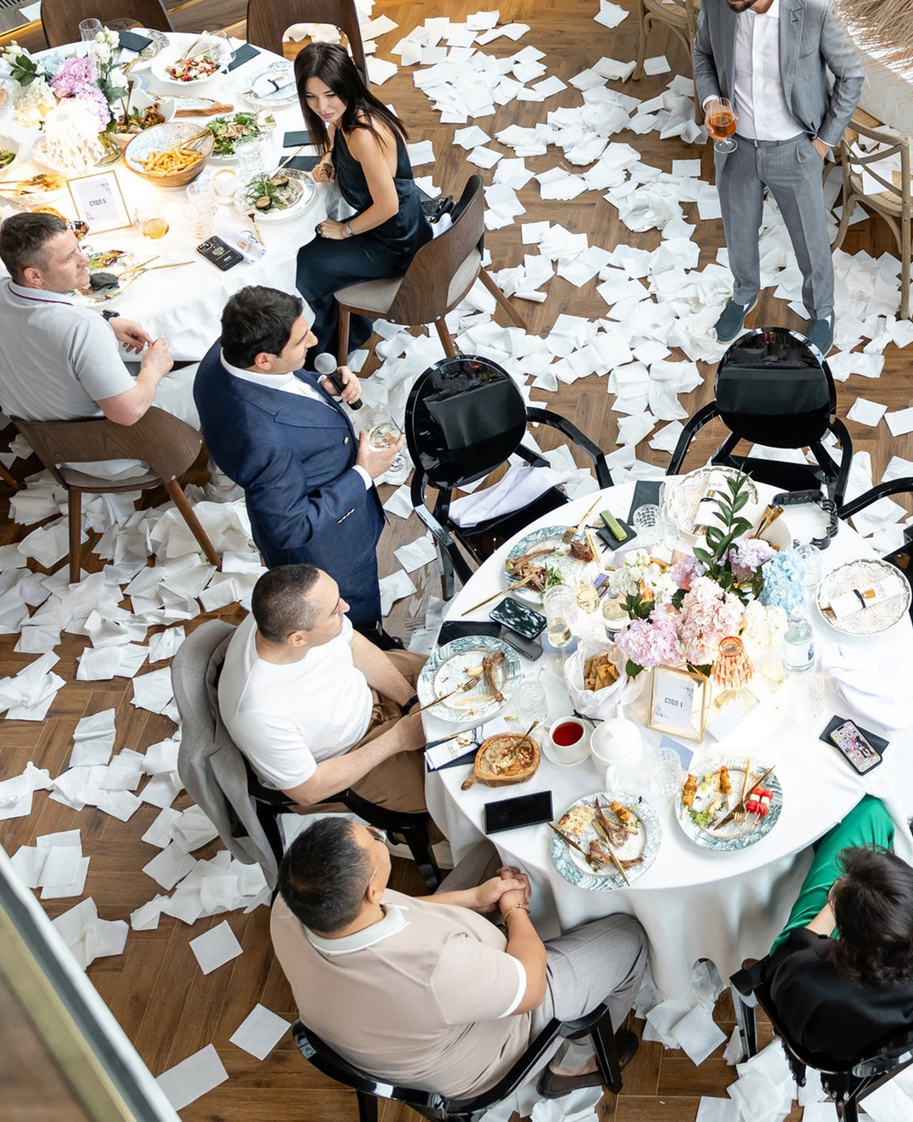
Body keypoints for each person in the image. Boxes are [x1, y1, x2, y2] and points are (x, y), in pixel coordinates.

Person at [270, 817, 648, 1102]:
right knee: (630, 938)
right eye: (375, 839)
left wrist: (473, 899)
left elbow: (401, 908)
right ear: (372, 889)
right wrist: (515, 911)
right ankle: (572, 1063)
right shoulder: (435, 969)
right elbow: (530, 987)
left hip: (400, 1017)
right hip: (489, 1048)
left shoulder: (289, 905)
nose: (376, 832)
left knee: (498, 844)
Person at [692, 0, 864, 355]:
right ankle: (743, 293)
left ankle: (821, 311)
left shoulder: (813, 9)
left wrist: (822, 144)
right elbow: (703, 55)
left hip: (795, 150)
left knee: (810, 242)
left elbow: (852, 74)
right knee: (739, 232)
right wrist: (712, 101)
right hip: (736, 148)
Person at [192, 286, 403, 637]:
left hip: (310, 495)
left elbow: (278, 387)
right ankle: (373, 648)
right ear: (264, 359)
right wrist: (364, 473)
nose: (314, 340)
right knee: (352, 613)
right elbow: (290, 527)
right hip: (327, 548)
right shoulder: (263, 439)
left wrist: (319, 386)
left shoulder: (223, 355)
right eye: (301, 339)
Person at [0, 210, 194, 477]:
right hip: (110, 450)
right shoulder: (81, 328)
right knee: (212, 368)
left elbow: (45, 322)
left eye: (78, 247)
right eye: (69, 258)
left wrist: (106, 319)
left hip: (47, 442)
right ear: (34, 276)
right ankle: (223, 480)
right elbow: (128, 412)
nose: (85, 259)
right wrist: (153, 369)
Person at [753, 797, 913, 1070]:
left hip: (830, 1034)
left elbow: (784, 957)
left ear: (848, 940)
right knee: (872, 818)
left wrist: (832, 905)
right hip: (877, 1026)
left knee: (870, 812)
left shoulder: (804, 979)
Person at [219, 564, 428, 813]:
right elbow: (308, 790)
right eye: (334, 611)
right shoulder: (257, 713)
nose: (346, 608)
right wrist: (398, 739)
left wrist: (410, 700)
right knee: (447, 790)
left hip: (365, 684)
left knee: (471, 682)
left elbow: (355, 646)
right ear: (298, 639)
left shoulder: (286, 606)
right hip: (346, 755)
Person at [291, 42, 428, 363]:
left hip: (395, 242)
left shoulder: (364, 134)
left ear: (346, 86)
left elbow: (388, 206)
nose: (321, 107)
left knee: (305, 265)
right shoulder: (349, 115)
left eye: (329, 95)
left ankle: (335, 340)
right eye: (311, 97)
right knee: (311, 250)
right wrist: (328, 159)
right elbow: (335, 134)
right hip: (395, 226)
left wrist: (345, 230)